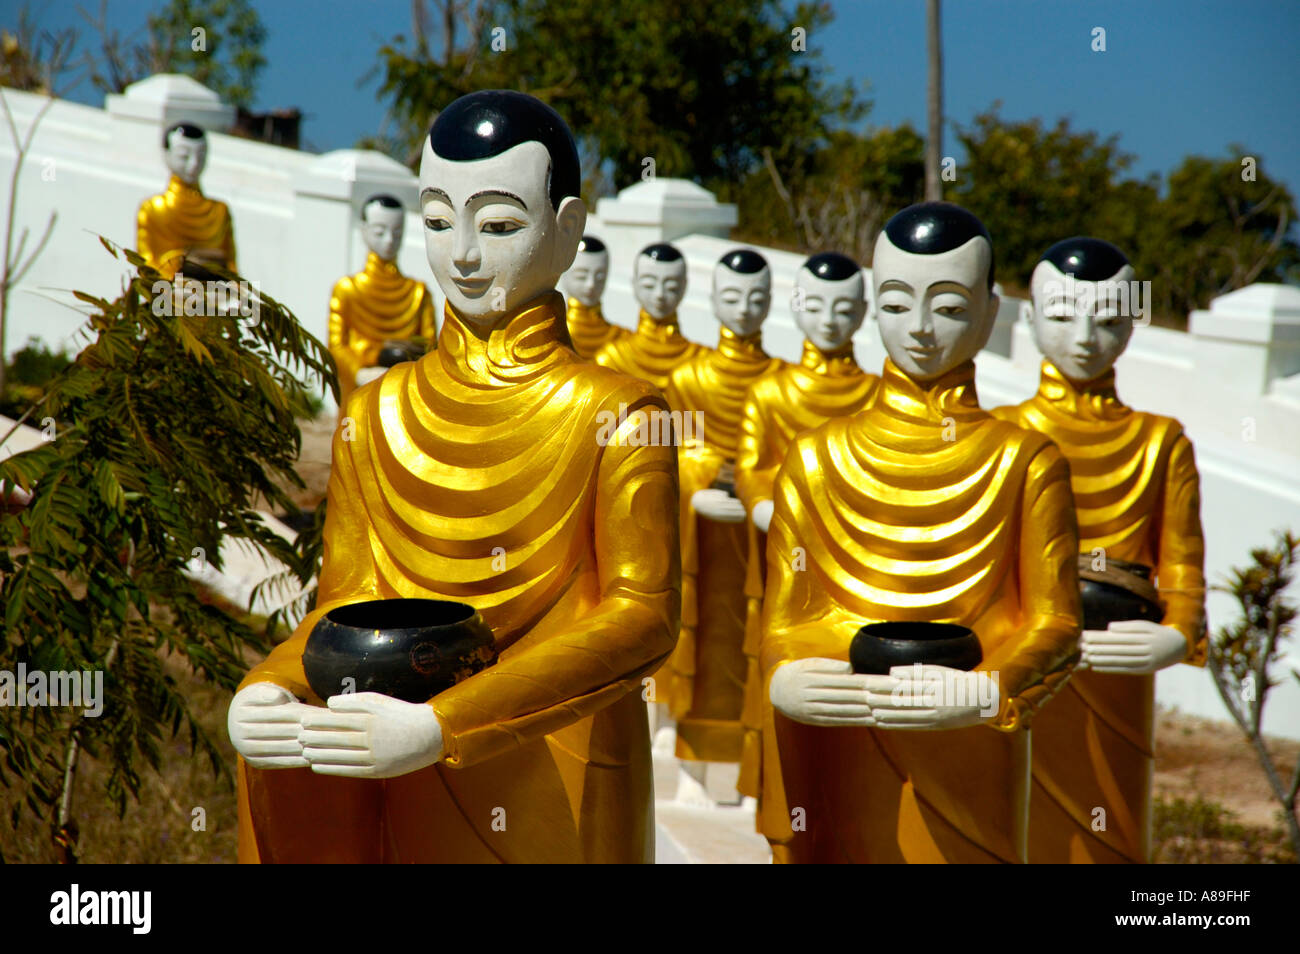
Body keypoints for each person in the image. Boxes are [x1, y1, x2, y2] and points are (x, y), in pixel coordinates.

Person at [228, 90, 681, 864]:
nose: (463, 255)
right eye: (438, 220)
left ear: (567, 231)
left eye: (499, 224)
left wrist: (446, 725)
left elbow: (642, 619)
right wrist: (272, 688)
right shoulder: (376, 414)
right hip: (384, 761)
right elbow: (345, 611)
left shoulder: (620, 411)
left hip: (554, 768)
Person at [760, 202, 1080, 863]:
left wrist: (990, 688)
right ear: (875, 304)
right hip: (835, 734)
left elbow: (1056, 624)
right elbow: (784, 619)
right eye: (899, 304)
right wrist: (785, 672)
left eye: (952, 307)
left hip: (969, 745)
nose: (923, 330)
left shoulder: (1026, 461)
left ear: (992, 316)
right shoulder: (816, 456)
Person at [992, 237, 1206, 863]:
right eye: (1061, 315)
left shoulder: (1161, 443)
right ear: (1028, 321)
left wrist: (1178, 635)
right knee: (1013, 819)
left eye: (1108, 318)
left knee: (1107, 828)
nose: (1085, 336)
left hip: (1118, 662)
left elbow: (1184, 572)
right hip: (1020, 656)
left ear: (1133, 325)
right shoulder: (1001, 434)